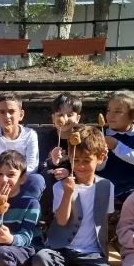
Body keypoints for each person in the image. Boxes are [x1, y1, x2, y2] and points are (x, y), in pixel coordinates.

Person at [32, 125, 115, 266]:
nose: (81, 166)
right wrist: (69, 194)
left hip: (91, 250)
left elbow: (104, 221)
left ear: (100, 158)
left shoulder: (106, 186)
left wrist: (105, 249)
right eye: (76, 160)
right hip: (61, 247)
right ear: (69, 158)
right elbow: (61, 221)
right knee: (41, 259)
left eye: (87, 161)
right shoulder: (61, 186)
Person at [96, 90, 134, 203]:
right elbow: (97, 168)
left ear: (133, 115)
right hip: (105, 185)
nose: (110, 115)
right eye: (108, 110)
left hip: (131, 186)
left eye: (117, 111)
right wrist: (102, 158)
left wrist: (116, 146)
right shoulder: (101, 135)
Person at [0, 92, 40, 189]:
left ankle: (25, 199)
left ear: (21, 115)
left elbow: (32, 166)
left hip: (20, 180)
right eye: (2, 112)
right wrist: (4, 175)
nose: (7, 116)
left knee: (37, 179)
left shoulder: (30, 135)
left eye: (11, 111)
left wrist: (13, 176)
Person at [39, 92, 82, 224]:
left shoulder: (81, 137)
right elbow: (41, 163)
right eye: (60, 115)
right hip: (53, 176)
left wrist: (69, 171)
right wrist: (52, 162)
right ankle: (48, 218)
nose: (64, 118)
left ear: (77, 118)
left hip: (76, 174)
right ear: (53, 118)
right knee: (45, 176)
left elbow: (87, 162)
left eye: (70, 115)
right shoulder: (47, 138)